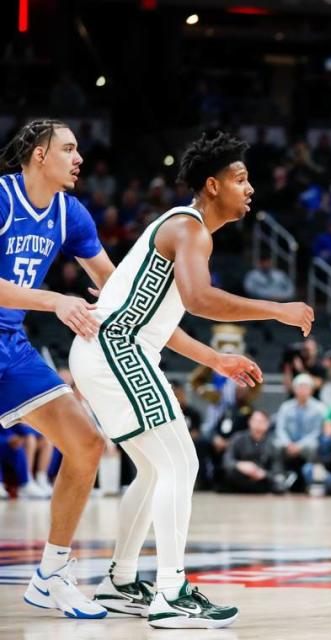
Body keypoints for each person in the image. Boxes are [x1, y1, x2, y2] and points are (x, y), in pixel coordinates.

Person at [70, 131, 314, 629]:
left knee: (158, 469)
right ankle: (171, 592)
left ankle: (120, 581)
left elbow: (164, 321)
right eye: (240, 179)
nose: (250, 189)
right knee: (182, 461)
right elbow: (201, 300)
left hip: (110, 349)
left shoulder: (186, 232)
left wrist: (217, 360)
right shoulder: (190, 228)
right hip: (117, 349)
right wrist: (277, 310)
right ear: (212, 184)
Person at [0, 119, 128, 618]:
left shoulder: (70, 214)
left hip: (10, 344)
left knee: (87, 443)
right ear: (38, 154)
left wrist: (140, 307)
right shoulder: (4, 199)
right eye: (68, 149)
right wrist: (56, 300)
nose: (79, 158)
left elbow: (110, 281)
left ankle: (51, 574)